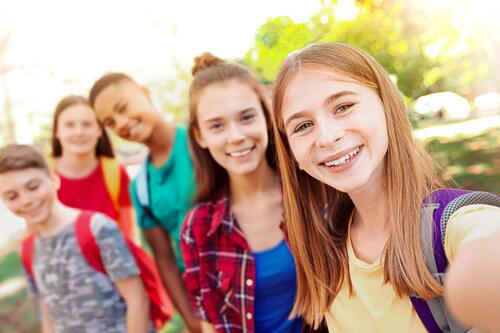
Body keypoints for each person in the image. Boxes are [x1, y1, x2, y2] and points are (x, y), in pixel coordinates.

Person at [270, 42, 500, 332]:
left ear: (386, 106)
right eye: (302, 126)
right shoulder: (328, 253)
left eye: (343, 107)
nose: (327, 137)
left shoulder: (454, 223)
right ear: (291, 152)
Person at [180, 53, 303, 333]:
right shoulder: (197, 229)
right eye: (217, 125)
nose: (235, 136)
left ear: (267, 117)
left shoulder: (311, 196)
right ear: (200, 136)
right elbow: (209, 322)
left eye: (246, 117)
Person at [0, 144, 152, 333]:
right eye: (12, 196)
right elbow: (47, 312)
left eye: (33, 187)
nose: (26, 200)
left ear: (54, 180)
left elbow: (137, 299)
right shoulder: (28, 249)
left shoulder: (97, 227)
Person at [89, 73, 199, 333]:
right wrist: (192, 322)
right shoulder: (140, 188)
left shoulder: (201, 142)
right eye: (110, 123)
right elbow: (166, 262)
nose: (122, 124)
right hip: (204, 299)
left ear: (146, 93)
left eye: (123, 108)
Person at [50, 95, 138, 242]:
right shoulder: (44, 177)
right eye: (69, 125)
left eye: (87, 124)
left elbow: (130, 239)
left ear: (99, 130)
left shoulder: (116, 173)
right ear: (56, 132)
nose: (79, 132)